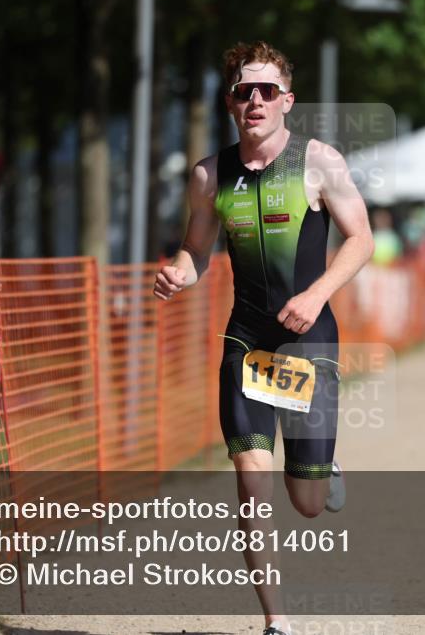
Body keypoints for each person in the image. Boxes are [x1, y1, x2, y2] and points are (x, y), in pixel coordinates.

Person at [153, 41, 374, 635]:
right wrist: (180, 270)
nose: (255, 100)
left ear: (287, 101)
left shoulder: (318, 162)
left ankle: (321, 471)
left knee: (304, 502)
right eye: (243, 91)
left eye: (267, 90)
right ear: (229, 103)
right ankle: (278, 623)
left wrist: (316, 293)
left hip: (306, 341)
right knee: (251, 479)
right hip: (246, 341)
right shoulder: (208, 175)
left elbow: (361, 239)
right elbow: (196, 250)